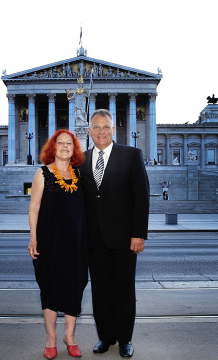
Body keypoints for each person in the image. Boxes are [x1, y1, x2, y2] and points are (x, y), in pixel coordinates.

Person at [80, 109, 150, 358]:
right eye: (96, 127)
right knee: (100, 290)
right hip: (93, 238)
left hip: (123, 237)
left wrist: (138, 234)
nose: (101, 132)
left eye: (106, 127)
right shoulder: (82, 160)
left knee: (123, 289)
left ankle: (125, 339)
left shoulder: (131, 155)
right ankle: (105, 337)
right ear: (89, 131)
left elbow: (141, 198)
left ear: (113, 129)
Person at [28, 129, 88, 359]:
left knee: (75, 287)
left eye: (69, 144)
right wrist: (33, 237)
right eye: (60, 143)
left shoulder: (79, 175)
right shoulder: (43, 173)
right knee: (50, 288)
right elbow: (34, 207)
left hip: (76, 241)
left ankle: (69, 336)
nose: (65, 146)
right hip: (49, 240)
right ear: (53, 147)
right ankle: (51, 338)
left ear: (74, 150)